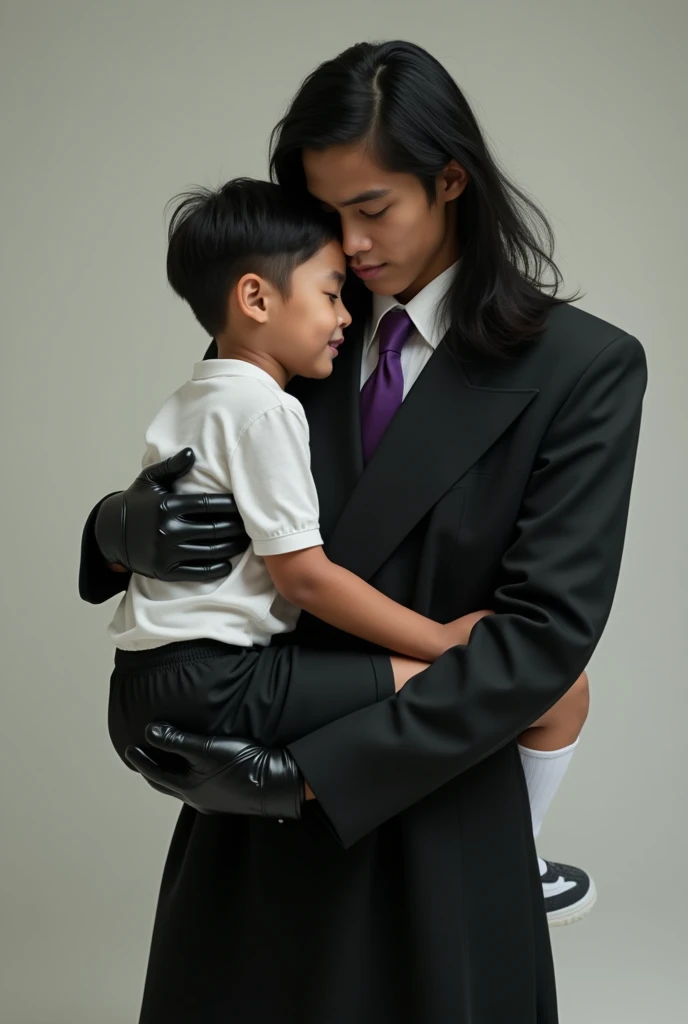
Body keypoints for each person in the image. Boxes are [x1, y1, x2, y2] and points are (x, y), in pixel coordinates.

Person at [80, 40, 646, 1024]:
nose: (345, 244)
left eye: (372, 208)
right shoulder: (295, 322)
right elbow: (195, 466)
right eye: (323, 212)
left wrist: (306, 780)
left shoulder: (582, 369)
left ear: (451, 179)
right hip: (250, 823)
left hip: (415, 812)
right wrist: (115, 531)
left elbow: (542, 640)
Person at [108, 176, 501, 774]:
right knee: (450, 687)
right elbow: (305, 580)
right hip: (216, 681)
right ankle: (518, 864)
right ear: (257, 300)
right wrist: (441, 641)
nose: (347, 315)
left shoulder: (190, 399)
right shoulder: (267, 408)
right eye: (331, 294)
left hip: (139, 682)